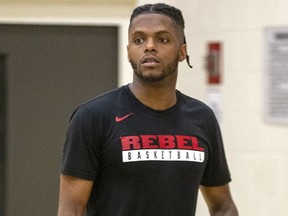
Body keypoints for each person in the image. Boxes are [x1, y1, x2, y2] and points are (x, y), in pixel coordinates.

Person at [57, 3, 238, 216]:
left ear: (182, 52)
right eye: (139, 39)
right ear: (129, 52)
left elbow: (223, 206)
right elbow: (71, 210)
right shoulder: (92, 117)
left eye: (162, 39)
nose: (149, 46)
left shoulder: (202, 118)